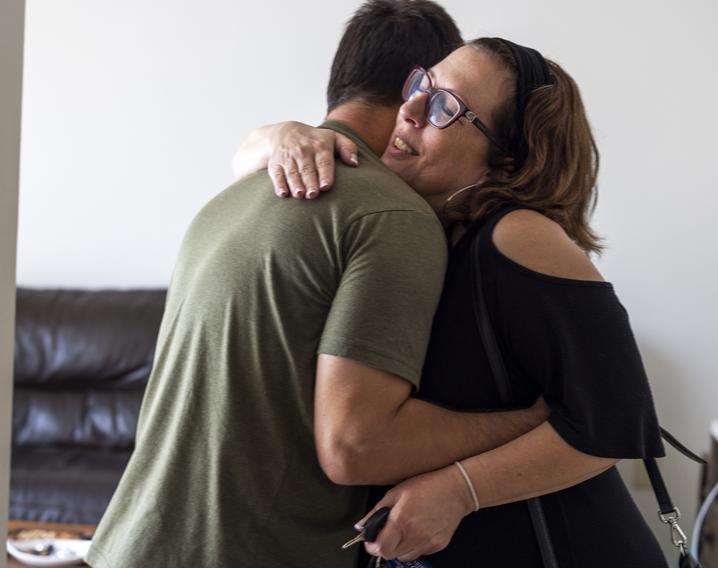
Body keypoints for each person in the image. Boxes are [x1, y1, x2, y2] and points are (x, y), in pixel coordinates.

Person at [85, 3, 553, 568]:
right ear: (417, 93)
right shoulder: (392, 218)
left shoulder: (232, 198)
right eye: (436, 94)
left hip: (130, 544)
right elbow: (358, 446)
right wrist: (531, 423)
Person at [234, 37, 667, 566]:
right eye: (422, 84)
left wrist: (461, 490)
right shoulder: (415, 232)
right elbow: (246, 159)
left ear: (506, 159)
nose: (410, 109)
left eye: (446, 108)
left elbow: (616, 421)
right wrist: (282, 135)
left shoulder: (519, 235)